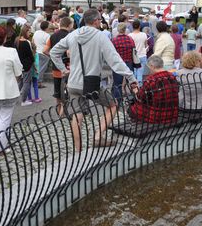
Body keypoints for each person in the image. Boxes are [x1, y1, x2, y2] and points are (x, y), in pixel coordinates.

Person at [50, 8, 138, 152]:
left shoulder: (73, 35)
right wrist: (131, 78)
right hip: (91, 84)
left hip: (73, 83)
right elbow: (115, 61)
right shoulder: (100, 36)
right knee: (113, 105)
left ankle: (78, 152)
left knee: (77, 117)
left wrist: (64, 70)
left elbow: (54, 52)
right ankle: (98, 137)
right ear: (96, 21)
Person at [128, 55, 179, 124]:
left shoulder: (151, 80)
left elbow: (141, 97)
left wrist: (136, 91)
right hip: (172, 114)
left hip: (157, 116)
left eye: (148, 67)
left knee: (131, 109)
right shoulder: (172, 76)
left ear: (152, 66)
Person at [111, 23, 136, 100]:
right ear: (125, 30)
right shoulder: (130, 39)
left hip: (118, 63)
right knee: (131, 81)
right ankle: (133, 97)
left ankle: (118, 100)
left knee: (117, 83)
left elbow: (111, 52)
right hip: (129, 61)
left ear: (118, 30)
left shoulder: (114, 40)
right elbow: (134, 50)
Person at [16, 24, 35, 107]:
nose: (30, 33)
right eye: (29, 31)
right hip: (27, 65)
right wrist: (33, 62)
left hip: (19, 65)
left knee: (20, 82)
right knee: (27, 82)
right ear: (25, 32)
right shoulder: (26, 42)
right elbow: (30, 55)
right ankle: (23, 100)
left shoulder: (17, 40)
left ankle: (14, 98)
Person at [32, 21, 51, 87]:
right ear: (47, 27)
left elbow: (33, 42)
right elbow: (48, 45)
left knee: (37, 68)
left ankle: (36, 82)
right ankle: (38, 83)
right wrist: (49, 55)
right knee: (41, 69)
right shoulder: (47, 35)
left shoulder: (36, 32)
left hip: (36, 52)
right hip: (43, 54)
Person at [130, 20, 148, 85]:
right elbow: (146, 45)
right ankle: (140, 87)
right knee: (140, 73)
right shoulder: (144, 34)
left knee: (134, 73)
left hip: (134, 56)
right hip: (142, 55)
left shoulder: (130, 35)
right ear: (139, 26)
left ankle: (134, 88)